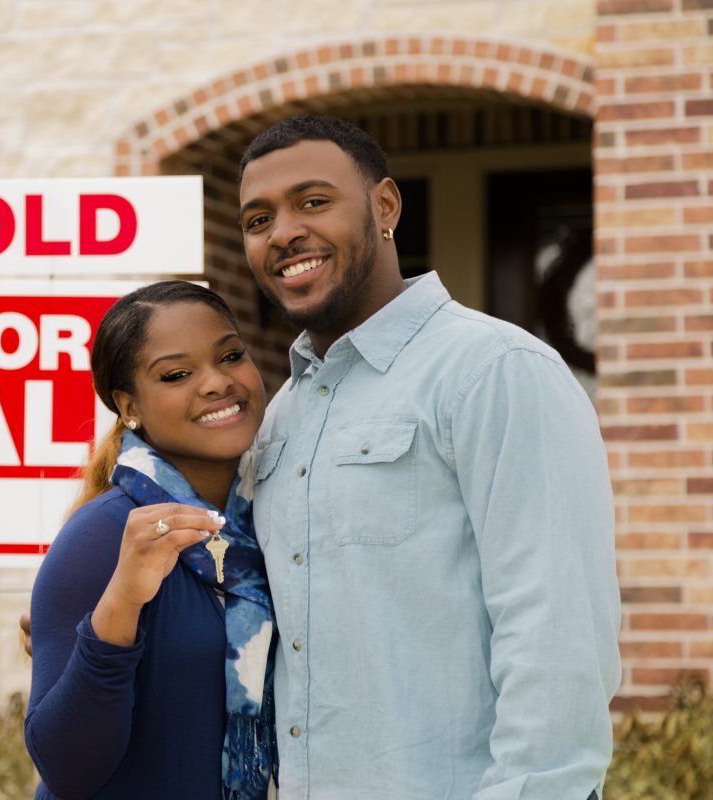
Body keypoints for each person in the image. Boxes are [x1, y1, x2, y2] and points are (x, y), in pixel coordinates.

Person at [236, 115, 621, 799]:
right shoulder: (282, 418)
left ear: (384, 206)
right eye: (258, 218)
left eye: (314, 202)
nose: (283, 231)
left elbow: (556, 633)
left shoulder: (493, 370)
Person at [23, 281, 278, 799]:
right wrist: (123, 600)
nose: (216, 383)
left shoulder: (278, 519)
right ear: (128, 405)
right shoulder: (105, 534)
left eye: (230, 355)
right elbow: (65, 767)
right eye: (177, 374)